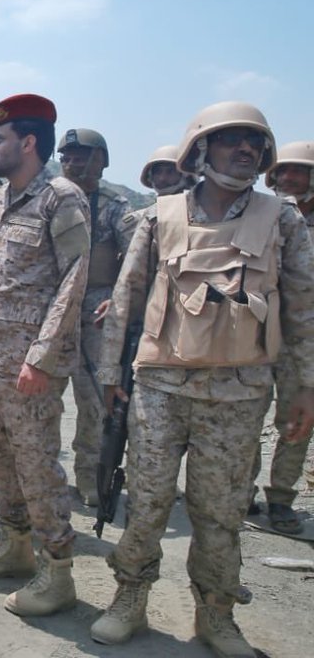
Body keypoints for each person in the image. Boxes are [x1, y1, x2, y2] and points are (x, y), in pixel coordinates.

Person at [89, 103, 314, 656]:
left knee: (222, 511)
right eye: (231, 139)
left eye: (255, 143)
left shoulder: (283, 220)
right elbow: (126, 298)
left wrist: (303, 389)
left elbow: (302, 310)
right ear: (200, 149)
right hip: (161, 386)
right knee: (147, 502)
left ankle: (216, 614)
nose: (246, 150)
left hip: (240, 392)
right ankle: (129, 599)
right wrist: (112, 372)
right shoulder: (156, 216)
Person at [0, 93, 90, 617]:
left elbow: (74, 281)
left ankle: (57, 574)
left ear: (28, 143)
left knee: (37, 466)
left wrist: (42, 356)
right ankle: (15, 546)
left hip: (30, 366)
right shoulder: (5, 198)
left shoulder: (62, 197)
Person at [56, 128, 136, 506]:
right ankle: (42, 472)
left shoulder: (115, 205)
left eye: (81, 155)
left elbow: (140, 258)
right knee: (40, 398)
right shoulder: (48, 198)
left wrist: (120, 298)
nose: (72, 162)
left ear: (101, 160)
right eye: (66, 155)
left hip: (95, 315)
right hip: (50, 312)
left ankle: (88, 476)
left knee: (92, 402)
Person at [247, 140, 314, 532]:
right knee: (247, 414)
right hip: (257, 330)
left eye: (299, 172)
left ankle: (281, 499)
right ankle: (244, 492)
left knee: (296, 417)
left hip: (303, 339)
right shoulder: (263, 216)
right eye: (283, 172)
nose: (289, 178)